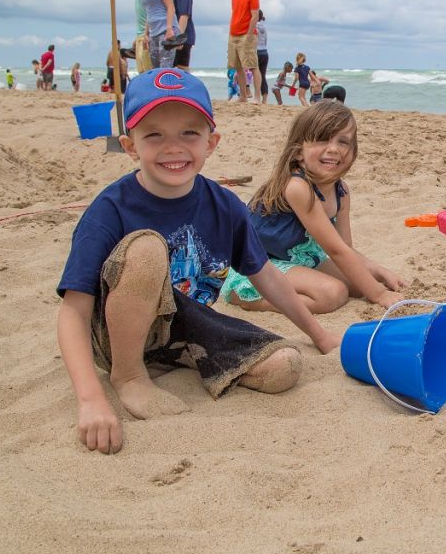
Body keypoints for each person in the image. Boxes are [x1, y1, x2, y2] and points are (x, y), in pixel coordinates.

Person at [56, 68, 342, 455]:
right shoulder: (109, 210)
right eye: (154, 134)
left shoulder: (224, 205)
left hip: (181, 328)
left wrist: (320, 336)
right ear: (129, 145)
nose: (173, 147)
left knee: (284, 366)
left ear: (212, 142)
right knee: (145, 250)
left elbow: (268, 276)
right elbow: (74, 311)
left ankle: (177, 362)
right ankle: (129, 375)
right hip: (114, 333)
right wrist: (91, 398)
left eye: (189, 133)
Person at [221, 101, 407, 316]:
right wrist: (380, 295)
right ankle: (249, 298)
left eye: (343, 141)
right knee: (333, 293)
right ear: (299, 151)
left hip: (298, 259)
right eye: (322, 139)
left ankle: (285, 289)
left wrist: (377, 270)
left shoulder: (342, 192)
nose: (334, 149)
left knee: (357, 284)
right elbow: (336, 251)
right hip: (258, 264)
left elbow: (345, 247)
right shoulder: (297, 187)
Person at [136, 0, 180, 70]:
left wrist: (170, 29)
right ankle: (159, 88)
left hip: (165, 29)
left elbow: (170, 7)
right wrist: (146, 33)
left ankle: (168, 87)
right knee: (155, 68)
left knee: (165, 67)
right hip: (153, 31)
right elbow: (149, 12)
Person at [228, 0, 261, 104]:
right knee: (238, 67)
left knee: (252, 65)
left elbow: (255, 15)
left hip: (246, 34)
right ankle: (242, 96)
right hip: (233, 34)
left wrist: (248, 34)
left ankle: (257, 97)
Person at [159, 0, 195, 71]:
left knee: (181, 68)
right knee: (169, 68)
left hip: (182, 35)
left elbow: (184, 16)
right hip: (170, 36)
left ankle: (186, 87)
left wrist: (179, 38)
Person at [255, 10, 270, 104]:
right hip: (265, 52)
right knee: (262, 76)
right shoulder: (264, 26)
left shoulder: (254, 25)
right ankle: (264, 98)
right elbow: (266, 41)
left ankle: (256, 96)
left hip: (256, 52)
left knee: (255, 75)